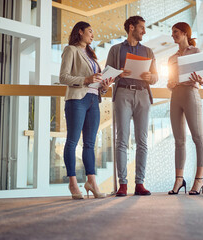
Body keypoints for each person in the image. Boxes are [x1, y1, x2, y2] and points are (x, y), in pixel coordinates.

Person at [59, 21, 114, 199]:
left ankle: (92, 182)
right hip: (77, 100)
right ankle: (73, 183)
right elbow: (63, 77)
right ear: (80, 32)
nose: (92, 35)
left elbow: (96, 83)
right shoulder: (71, 50)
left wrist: (104, 85)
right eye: (90, 31)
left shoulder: (92, 55)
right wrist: (86, 79)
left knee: (90, 144)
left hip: (93, 100)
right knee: (72, 141)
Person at [106, 16, 158, 196]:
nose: (144, 31)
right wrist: (119, 73)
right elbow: (107, 74)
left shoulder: (149, 51)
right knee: (122, 140)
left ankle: (139, 183)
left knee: (142, 141)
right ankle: (123, 184)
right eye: (141, 27)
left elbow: (155, 77)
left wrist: (150, 77)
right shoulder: (116, 49)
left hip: (143, 94)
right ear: (131, 28)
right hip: (123, 93)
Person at [167, 22, 203, 195]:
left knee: (198, 137)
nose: (173, 35)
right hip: (175, 96)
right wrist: (170, 83)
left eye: (176, 32)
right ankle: (179, 179)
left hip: (191, 93)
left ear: (185, 33)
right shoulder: (171, 58)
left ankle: (199, 179)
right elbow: (169, 82)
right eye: (172, 33)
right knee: (179, 140)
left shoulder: (196, 52)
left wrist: (201, 81)